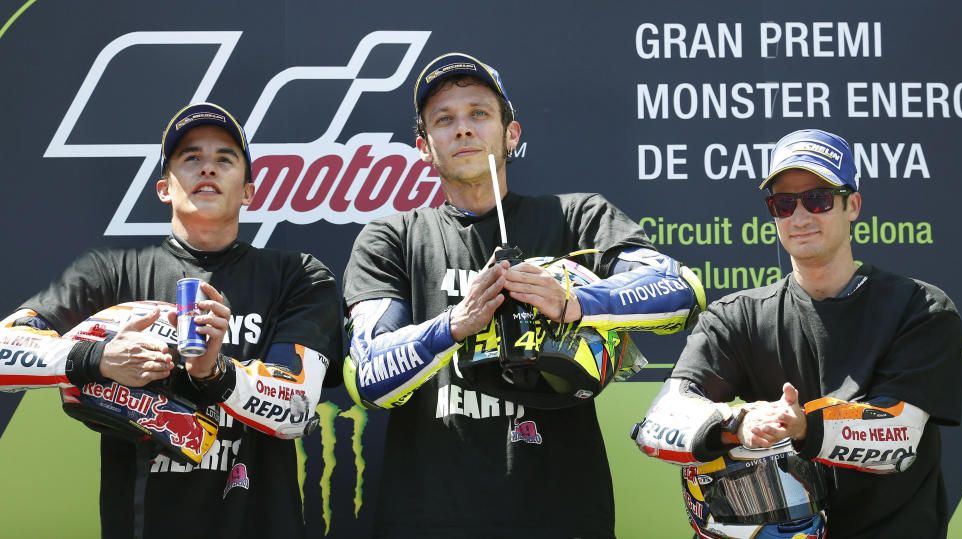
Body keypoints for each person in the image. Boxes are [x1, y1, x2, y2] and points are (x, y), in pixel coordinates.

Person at [342, 52, 706, 538]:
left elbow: (683, 292)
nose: (463, 129)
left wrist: (575, 301)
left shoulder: (575, 217)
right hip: (430, 516)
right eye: (444, 120)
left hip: (563, 516)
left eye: (479, 114)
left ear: (511, 133)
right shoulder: (393, 238)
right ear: (423, 147)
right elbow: (367, 374)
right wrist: (455, 325)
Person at [3, 102, 340, 539]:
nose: (207, 169)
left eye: (224, 159)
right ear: (164, 187)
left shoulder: (299, 276)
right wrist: (98, 357)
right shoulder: (110, 274)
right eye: (190, 158)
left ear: (249, 191)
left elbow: (295, 410)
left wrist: (214, 374)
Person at [633, 129, 962, 538]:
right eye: (784, 203)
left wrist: (802, 424)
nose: (801, 217)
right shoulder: (735, 316)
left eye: (818, 199)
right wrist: (738, 422)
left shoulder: (921, 308)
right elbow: (660, 420)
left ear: (853, 206)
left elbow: (901, 436)